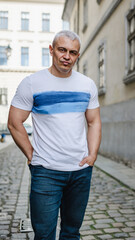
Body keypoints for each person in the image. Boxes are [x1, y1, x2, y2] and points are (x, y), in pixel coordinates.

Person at [8, 30, 101, 240]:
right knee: (44, 234)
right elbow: (14, 123)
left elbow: (94, 121)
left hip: (79, 172)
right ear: (52, 50)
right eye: (62, 50)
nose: (67, 56)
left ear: (78, 56)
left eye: (73, 52)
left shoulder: (87, 85)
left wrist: (92, 155)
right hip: (46, 173)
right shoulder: (32, 83)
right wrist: (32, 156)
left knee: (71, 232)